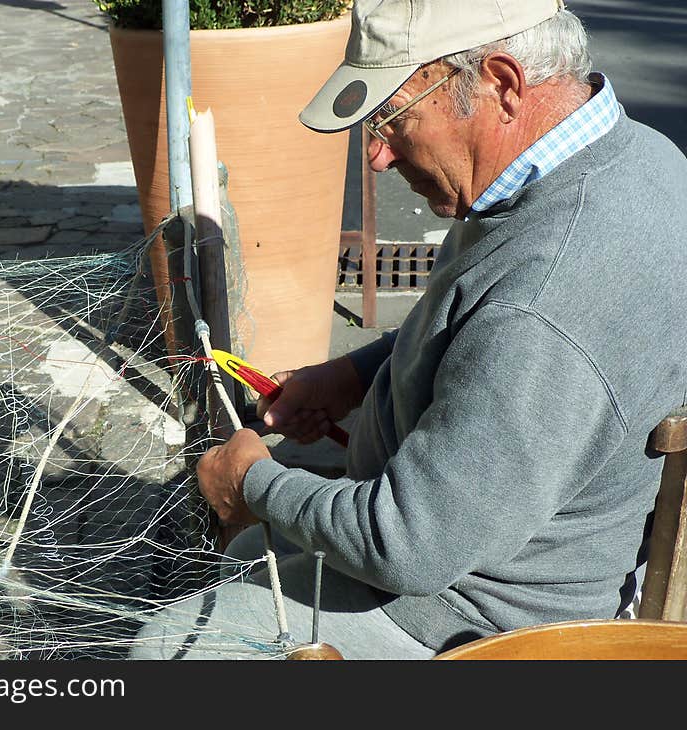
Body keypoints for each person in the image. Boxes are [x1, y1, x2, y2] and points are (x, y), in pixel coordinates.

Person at [130, 0, 687, 659]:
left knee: (175, 645)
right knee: (257, 552)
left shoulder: (547, 294)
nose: (376, 155)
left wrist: (252, 482)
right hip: (492, 542)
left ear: (502, 86)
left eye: (393, 120)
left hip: (488, 622)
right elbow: (485, 330)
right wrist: (353, 375)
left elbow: (409, 544)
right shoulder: (633, 158)